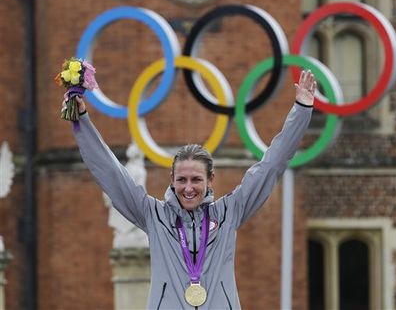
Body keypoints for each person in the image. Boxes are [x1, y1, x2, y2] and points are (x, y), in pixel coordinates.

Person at [62, 70, 316, 309]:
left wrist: (302, 110)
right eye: (182, 180)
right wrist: (82, 122)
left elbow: (271, 166)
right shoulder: (153, 215)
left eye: (196, 179)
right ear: (172, 179)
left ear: (210, 180)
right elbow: (111, 173)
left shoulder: (229, 212)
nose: (189, 188)